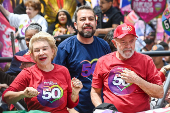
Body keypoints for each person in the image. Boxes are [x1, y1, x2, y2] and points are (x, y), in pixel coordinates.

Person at [2, 31, 83, 113]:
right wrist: (23, 93)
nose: (41, 53)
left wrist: (75, 92)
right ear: (32, 56)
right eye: (37, 50)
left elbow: (70, 105)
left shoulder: (63, 70)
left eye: (44, 49)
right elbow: (6, 97)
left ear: (53, 51)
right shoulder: (27, 73)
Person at [91, 23, 164, 113]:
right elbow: (94, 92)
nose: (128, 46)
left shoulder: (146, 60)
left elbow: (160, 93)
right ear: (114, 43)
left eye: (131, 41)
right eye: (123, 42)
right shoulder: (103, 61)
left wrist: (137, 80)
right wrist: (102, 109)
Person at [53, 5, 111, 113]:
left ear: (96, 23)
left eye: (91, 19)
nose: (87, 22)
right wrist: (69, 109)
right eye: (83, 19)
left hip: (102, 107)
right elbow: (56, 83)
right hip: (76, 109)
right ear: (75, 25)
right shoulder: (64, 48)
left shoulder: (104, 45)